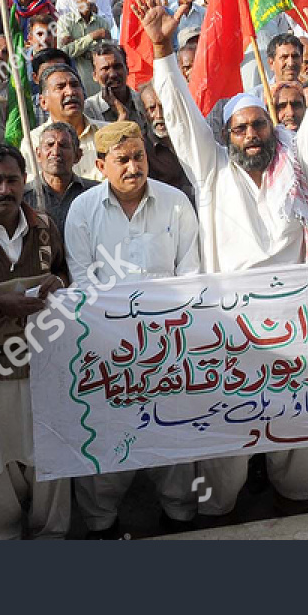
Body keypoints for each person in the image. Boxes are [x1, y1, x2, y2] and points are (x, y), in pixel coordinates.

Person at [139, 0, 308, 515]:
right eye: (241, 127)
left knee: (296, 444)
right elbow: (183, 118)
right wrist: (164, 53)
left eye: (260, 123)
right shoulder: (212, 172)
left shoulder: (296, 161)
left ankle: (298, 508)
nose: (253, 134)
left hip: (296, 322)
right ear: (228, 134)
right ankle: (218, 517)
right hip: (230, 332)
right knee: (226, 451)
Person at [65, 120, 202, 537]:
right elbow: (83, 284)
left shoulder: (176, 203)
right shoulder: (83, 210)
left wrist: (161, 334)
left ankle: (178, 522)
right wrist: (121, 335)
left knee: (174, 450)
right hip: (109, 352)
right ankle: (102, 527)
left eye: (138, 156)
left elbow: (190, 276)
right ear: (100, 165)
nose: (132, 167)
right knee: (107, 450)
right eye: (121, 160)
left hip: (169, 346)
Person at [0, 143, 69, 539]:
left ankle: (51, 538)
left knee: (50, 457)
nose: (4, 190)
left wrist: (59, 283)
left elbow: (64, 273)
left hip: (43, 368)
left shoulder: (44, 226)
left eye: (12, 180)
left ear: (24, 181)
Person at [23, 120, 96, 234]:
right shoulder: (23, 197)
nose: (56, 152)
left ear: (78, 155)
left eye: (63, 145)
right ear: (38, 154)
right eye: (49, 145)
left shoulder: (94, 194)